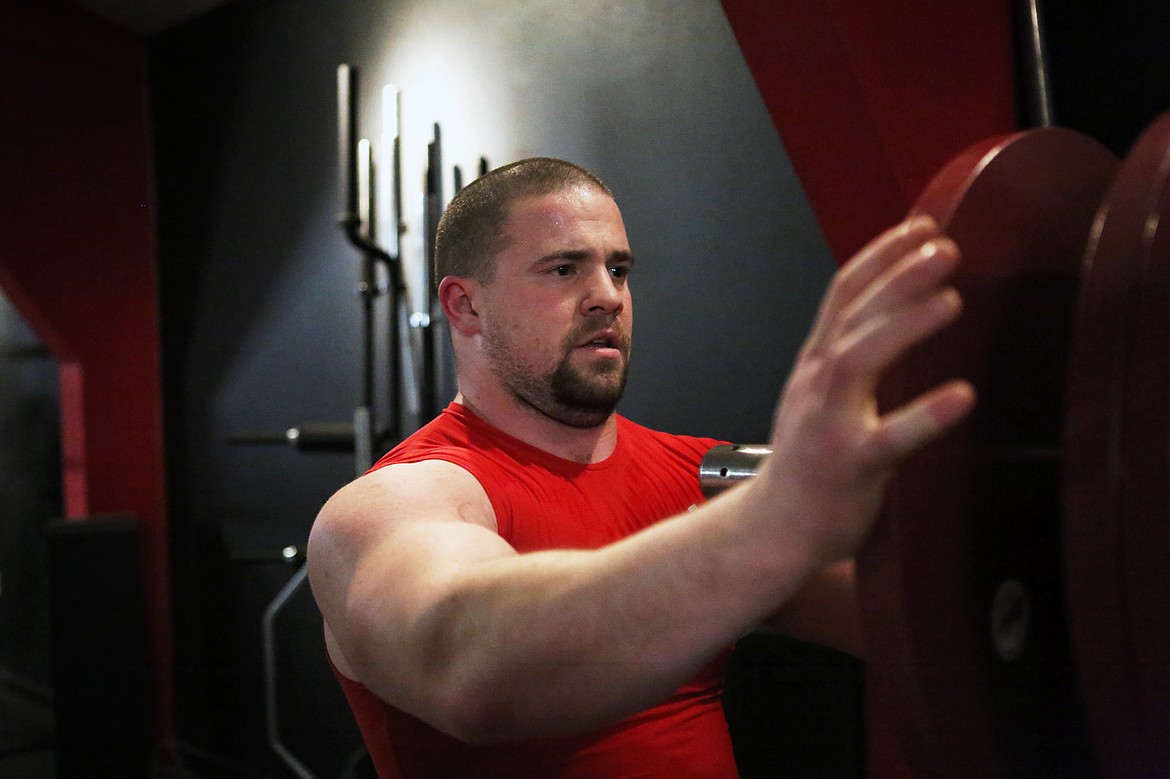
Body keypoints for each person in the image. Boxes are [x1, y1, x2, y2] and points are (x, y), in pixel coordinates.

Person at [307, 157, 974, 778]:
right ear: (465, 305)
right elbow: (470, 669)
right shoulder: (396, 503)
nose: (608, 296)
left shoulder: (702, 473)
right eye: (564, 269)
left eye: (619, 270)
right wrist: (766, 523)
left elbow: (939, 633)